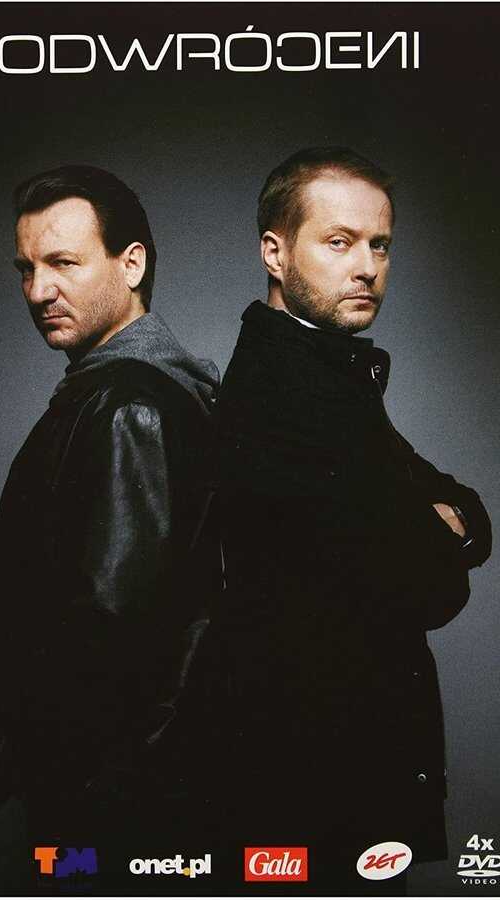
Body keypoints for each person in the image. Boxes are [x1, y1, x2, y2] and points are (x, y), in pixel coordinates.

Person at [214, 147, 492, 894]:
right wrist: (439, 531)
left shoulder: (332, 376)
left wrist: (444, 524)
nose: (367, 267)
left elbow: (468, 511)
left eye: (380, 245)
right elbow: (433, 590)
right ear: (274, 253)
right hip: (315, 788)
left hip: (346, 775)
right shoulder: (282, 396)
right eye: (339, 242)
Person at [0, 165, 221, 884]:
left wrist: (69, 796)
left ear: (131, 264)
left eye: (63, 263)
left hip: (111, 803)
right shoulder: (130, 391)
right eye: (27, 268)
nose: (38, 291)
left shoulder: (128, 407)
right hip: (128, 793)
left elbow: (112, 632)